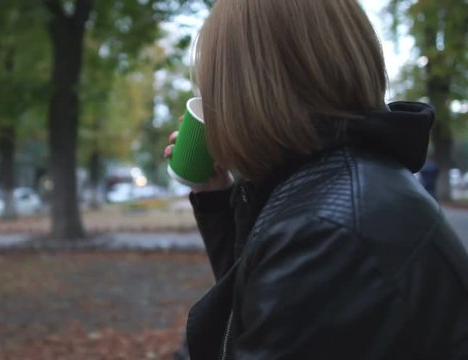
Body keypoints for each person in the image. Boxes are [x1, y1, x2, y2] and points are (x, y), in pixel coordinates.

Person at [164, 0, 468, 359]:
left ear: (248, 91)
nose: (214, 105)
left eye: (215, 87)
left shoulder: (325, 232)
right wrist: (216, 199)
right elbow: (255, 310)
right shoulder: (332, 187)